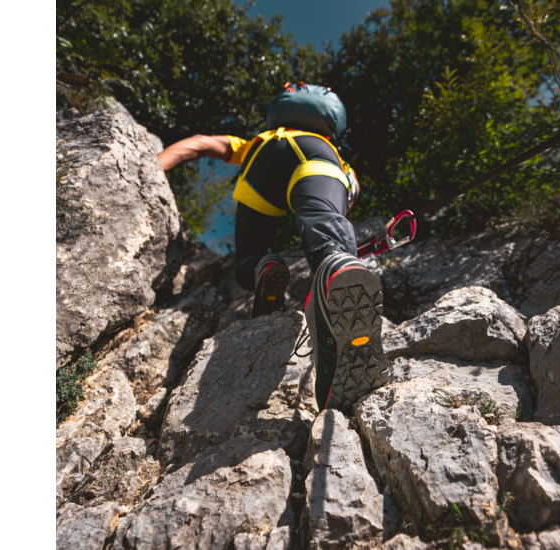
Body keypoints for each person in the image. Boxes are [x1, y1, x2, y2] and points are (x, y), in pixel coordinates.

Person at [156, 82, 387, 413]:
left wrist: (152, 167)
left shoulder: (254, 141)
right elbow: (348, 194)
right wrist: (338, 236)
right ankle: (337, 266)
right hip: (316, 159)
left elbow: (200, 143)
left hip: (260, 168)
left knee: (249, 252)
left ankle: (263, 265)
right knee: (325, 227)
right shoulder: (333, 153)